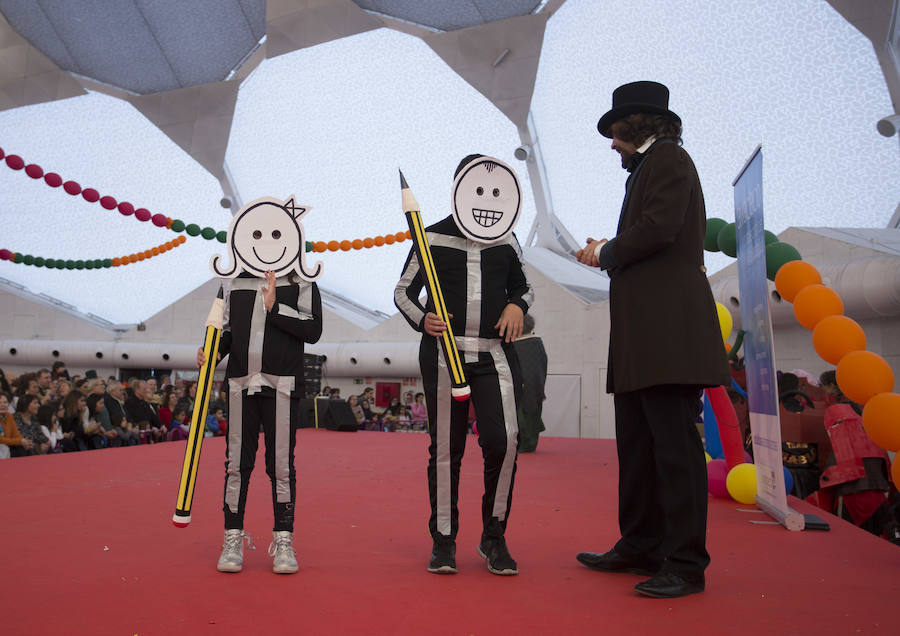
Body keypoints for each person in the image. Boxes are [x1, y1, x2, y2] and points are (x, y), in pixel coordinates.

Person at [574, 81, 730, 599]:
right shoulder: (650, 166)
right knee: (639, 448)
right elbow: (651, 232)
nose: (612, 143)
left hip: (668, 338)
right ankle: (640, 544)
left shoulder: (668, 159)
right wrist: (610, 247)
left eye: (616, 131)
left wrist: (606, 251)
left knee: (675, 453)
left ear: (637, 124)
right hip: (644, 340)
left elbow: (659, 228)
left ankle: (685, 563)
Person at [395, 154, 533, 576]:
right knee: (445, 448)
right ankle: (443, 540)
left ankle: (494, 536)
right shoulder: (431, 237)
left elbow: (525, 288)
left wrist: (516, 305)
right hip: (443, 354)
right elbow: (403, 292)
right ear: (458, 189)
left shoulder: (507, 239)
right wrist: (423, 318)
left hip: (494, 354)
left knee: (505, 441)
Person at [199, 267, 323, 575]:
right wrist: (211, 353)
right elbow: (226, 331)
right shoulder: (232, 280)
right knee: (236, 464)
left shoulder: (301, 279)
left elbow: (313, 329)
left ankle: (284, 539)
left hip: (282, 385)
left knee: (280, 466)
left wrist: (275, 307)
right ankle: (232, 536)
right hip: (240, 383)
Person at [511, 313, 547, 453]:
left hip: (523, 387)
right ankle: (529, 443)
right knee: (532, 416)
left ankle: (525, 444)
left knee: (523, 418)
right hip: (536, 384)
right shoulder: (537, 342)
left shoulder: (519, 344)